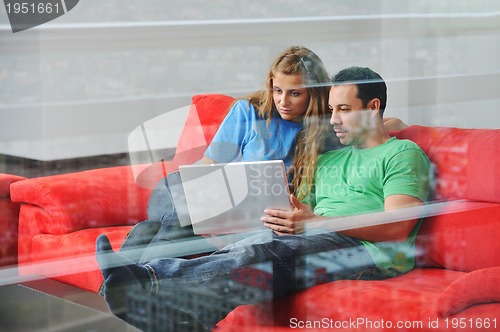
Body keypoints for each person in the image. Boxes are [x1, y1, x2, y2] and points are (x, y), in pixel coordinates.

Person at [96, 66, 429, 330]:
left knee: (261, 251)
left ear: (373, 108)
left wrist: (314, 222)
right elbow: (310, 210)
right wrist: (293, 213)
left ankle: (149, 281)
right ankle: (181, 319)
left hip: (366, 254)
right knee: (244, 243)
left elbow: (396, 227)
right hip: (319, 236)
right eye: (330, 110)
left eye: (344, 109)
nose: (333, 120)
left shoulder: (401, 153)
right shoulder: (328, 158)